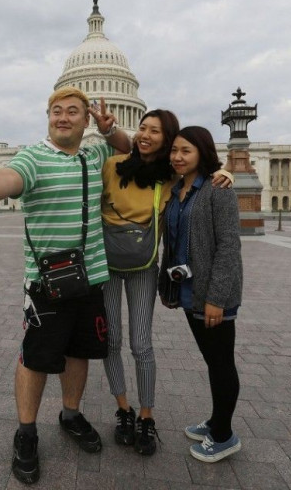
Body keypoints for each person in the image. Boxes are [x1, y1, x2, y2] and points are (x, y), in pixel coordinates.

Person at [0, 87, 130, 485]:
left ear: (86, 121)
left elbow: (130, 148)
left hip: (92, 276)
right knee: (35, 358)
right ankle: (26, 432)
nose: (63, 117)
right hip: (46, 281)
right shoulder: (33, 156)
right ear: (48, 118)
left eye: (72, 112)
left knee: (79, 353)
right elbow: (6, 178)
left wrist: (111, 131)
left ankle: (71, 414)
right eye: (56, 111)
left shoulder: (95, 154)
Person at [101, 112, 232, 456]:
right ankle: (123, 409)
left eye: (154, 131)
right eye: (142, 128)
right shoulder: (111, 164)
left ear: (168, 140)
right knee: (111, 340)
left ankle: (146, 415)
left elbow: (202, 176)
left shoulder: (171, 179)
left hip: (144, 266)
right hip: (107, 265)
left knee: (141, 343)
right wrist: (110, 131)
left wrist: (225, 171)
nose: (145, 135)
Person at [157, 125, 243, 463]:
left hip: (213, 294)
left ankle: (224, 436)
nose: (178, 156)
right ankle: (216, 420)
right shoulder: (176, 189)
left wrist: (217, 298)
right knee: (212, 360)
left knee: (221, 363)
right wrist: (170, 288)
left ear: (202, 153)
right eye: (174, 150)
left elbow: (228, 247)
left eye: (186, 151)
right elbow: (174, 244)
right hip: (190, 291)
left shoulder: (217, 189)